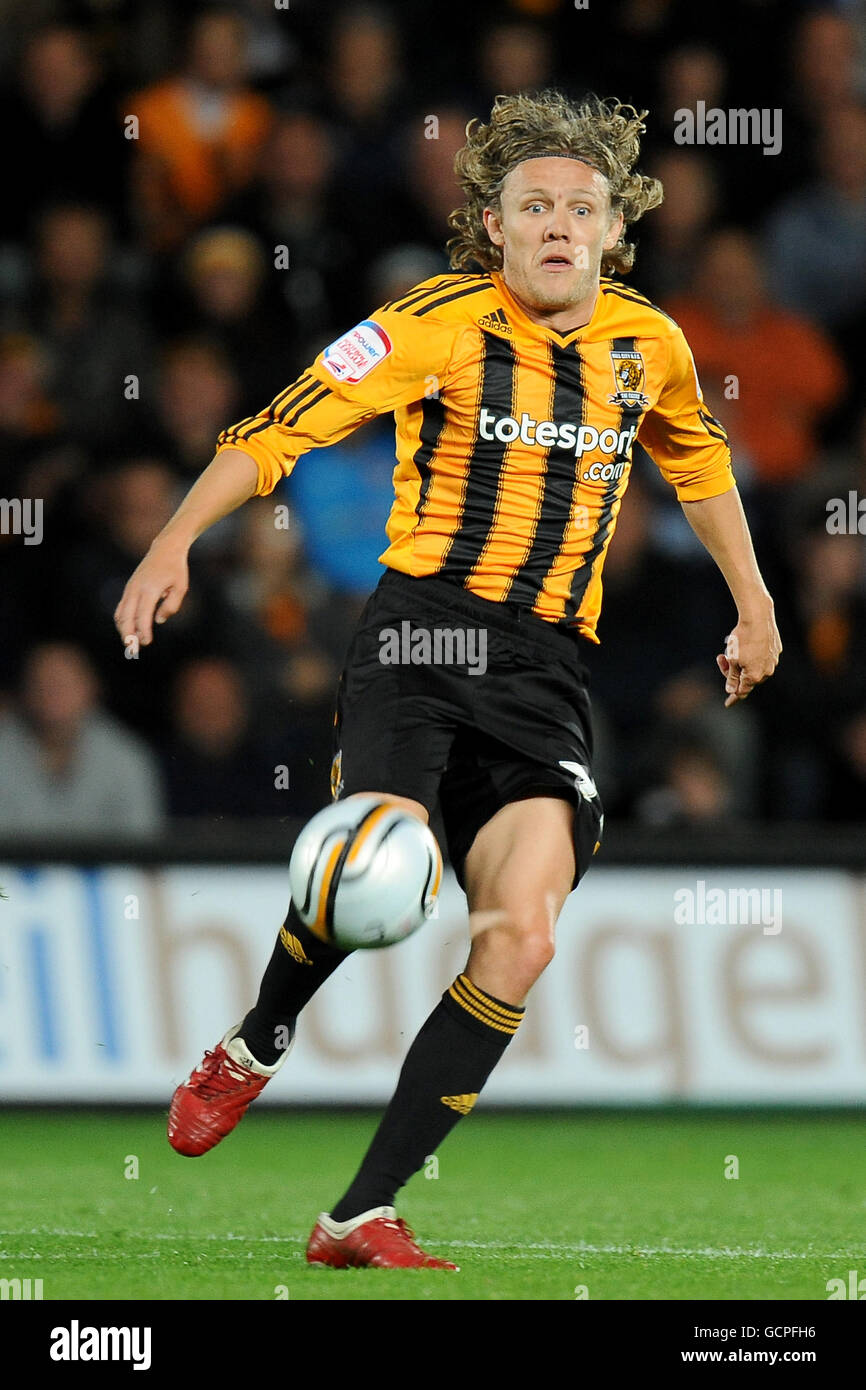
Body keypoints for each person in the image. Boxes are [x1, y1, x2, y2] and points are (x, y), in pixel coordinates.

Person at [114, 91, 782, 1271]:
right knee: (383, 855)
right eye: (535, 206)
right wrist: (171, 543)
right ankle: (259, 1038)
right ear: (491, 226)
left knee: (520, 938)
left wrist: (754, 600)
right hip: (424, 640)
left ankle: (357, 1213)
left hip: (544, 669)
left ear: (613, 233)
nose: (560, 225)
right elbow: (277, 430)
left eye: (582, 208)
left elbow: (697, 457)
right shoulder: (432, 323)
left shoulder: (650, 346)